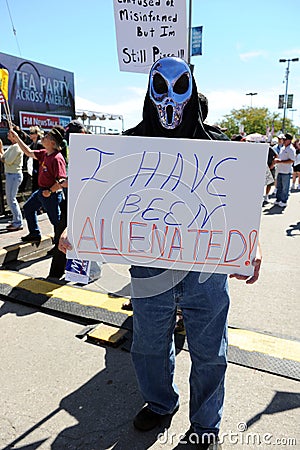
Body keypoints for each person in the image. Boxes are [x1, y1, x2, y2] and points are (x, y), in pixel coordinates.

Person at [58, 57, 262, 450]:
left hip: (206, 271)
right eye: (160, 86)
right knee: (149, 345)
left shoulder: (218, 147)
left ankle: (206, 422)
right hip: (150, 269)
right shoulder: (126, 145)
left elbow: (241, 208)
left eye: (180, 85)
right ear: (148, 92)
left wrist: (253, 248)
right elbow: (95, 196)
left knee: (210, 352)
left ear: (192, 87)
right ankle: (160, 401)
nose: (170, 98)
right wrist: (75, 227)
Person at [10, 127, 67, 244]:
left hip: (51, 195)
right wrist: (17, 137)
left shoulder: (57, 158)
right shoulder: (44, 153)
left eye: (46, 136)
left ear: (52, 143)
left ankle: (58, 245)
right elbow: (28, 152)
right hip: (42, 191)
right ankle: (35, 234)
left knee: (56, 221)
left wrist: (50, 191)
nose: (43, 137)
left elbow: (62, 182)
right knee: (28, 208)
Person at [48, 120, 86, 279]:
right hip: (72, 197)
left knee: (76, 234)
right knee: (64, 235)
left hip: (81, 199)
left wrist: (62, 185)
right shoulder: (72, 148)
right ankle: (61, 273)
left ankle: (76, 274)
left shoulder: (85, 148)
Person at [0, 126, 25, 231]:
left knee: (11, 199)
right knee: (10, 200)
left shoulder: (16, 147)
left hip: (14, 175)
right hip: (11, 175)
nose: (8, 134)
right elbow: (3, 157)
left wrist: (0, 149)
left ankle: (18, 222)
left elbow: (7, 160)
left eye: (10, 133)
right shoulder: (13, 146)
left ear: (15, 136)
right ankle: (16, 220)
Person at [273, 132, 296, 208]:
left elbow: (292, 160)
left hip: (286, 171)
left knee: (285, 188)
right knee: (279, 186)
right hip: (280, 170)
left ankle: (284, 201)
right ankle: (278, 199)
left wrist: (280, 161)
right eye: (283, 139)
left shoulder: (291, 149)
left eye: (285, 139)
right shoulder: (283, 148)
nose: (283, 140)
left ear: (289, 140)